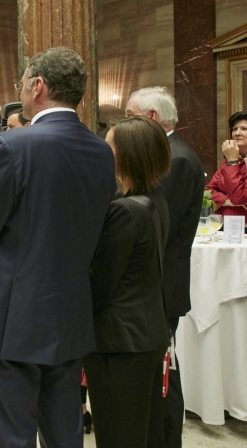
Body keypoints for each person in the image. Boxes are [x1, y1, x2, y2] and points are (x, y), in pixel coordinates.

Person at [0, 47, 116, 447]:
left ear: (38, 86)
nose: (21, 91)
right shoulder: (101, 151)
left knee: (10, 433)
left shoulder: (12, 146)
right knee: (65, 429)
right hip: (69, 310)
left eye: (22, 84)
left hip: (11, 312)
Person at [85, 116, 172, 448]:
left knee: (118, 435)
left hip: (119, 341)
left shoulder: (124, 211)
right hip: (145, 334)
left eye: (109, 145)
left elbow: (100, 285)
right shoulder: (155, 202)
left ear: (126, 154)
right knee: (143, 433)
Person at [125, 86, 205, 446]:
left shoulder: (177, 159)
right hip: (154, 281)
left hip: (161, 283)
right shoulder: (167, 154)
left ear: (152, 118)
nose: (126, 124)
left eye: (130, 116)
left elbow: (159, 226)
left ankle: (166, 438)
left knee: (163, 370)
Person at [207, 111, 247, 217]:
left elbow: (239, 198)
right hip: (223, 225)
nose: (237, 133)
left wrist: (232, 161)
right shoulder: (231, 159)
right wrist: (228, 201)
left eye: (244, 129)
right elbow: (208, 192)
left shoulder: (232, 159)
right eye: (234, 129)